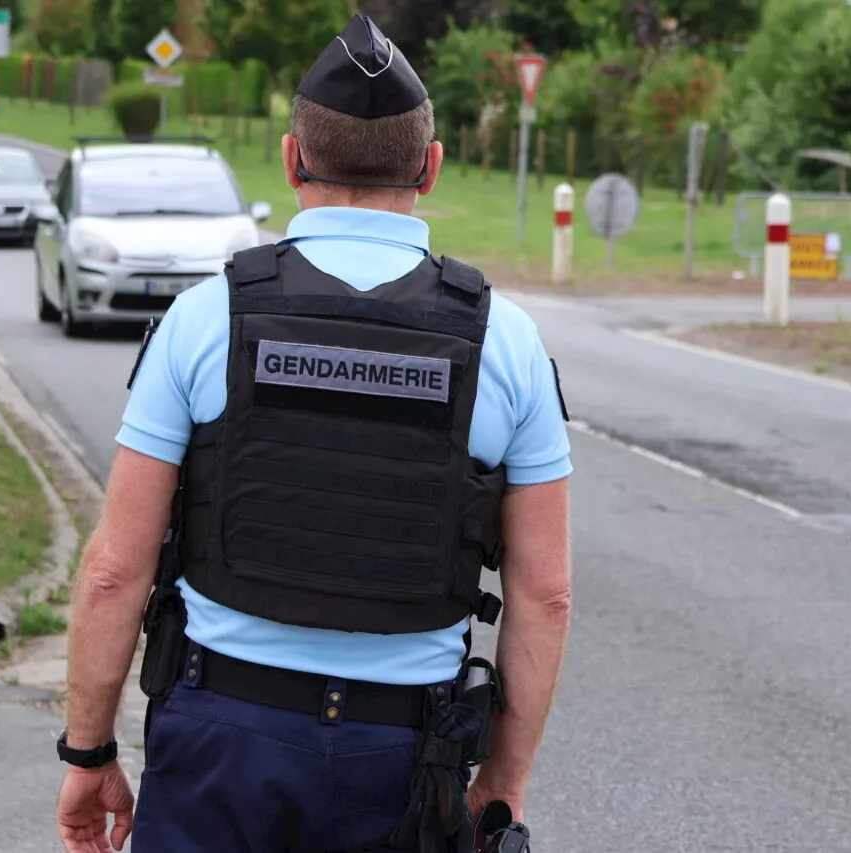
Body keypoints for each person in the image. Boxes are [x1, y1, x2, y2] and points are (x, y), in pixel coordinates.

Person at [55, 13, 573, 853]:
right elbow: (545, 595)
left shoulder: (203, 319)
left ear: (293, 161)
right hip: (405, 763)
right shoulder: (504, 340)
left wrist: (88, 751)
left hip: (219, 748)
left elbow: (116, 572)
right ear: (430, 168)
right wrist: (501, 788)